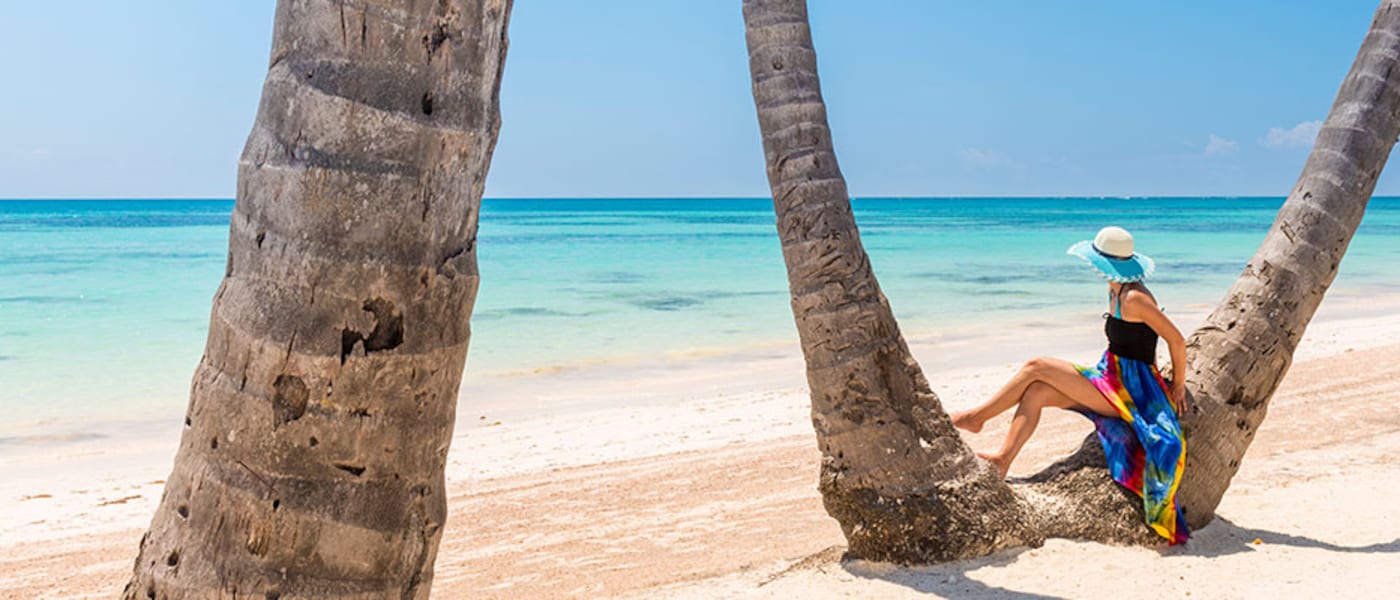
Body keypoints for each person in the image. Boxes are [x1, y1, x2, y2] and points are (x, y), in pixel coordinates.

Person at [951, 226, 1190, 544]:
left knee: (1036, 366)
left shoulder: (1135, 298)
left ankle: (976, 417)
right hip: (1111, 376)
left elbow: (1176, 339)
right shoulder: (1115, 288)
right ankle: (1002, 460)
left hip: (1130, 392)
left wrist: (1178, 385)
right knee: (1036, 391)